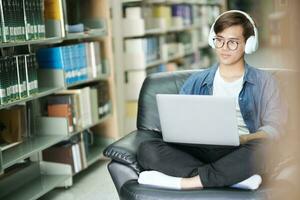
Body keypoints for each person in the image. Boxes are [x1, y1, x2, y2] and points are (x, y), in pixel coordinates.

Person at [136, 10, 287, 190]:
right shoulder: (196, 82)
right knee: (147, 149)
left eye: (232, 42)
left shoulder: (265, 82)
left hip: (239, 150)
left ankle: (189, 182)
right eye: (219, 40)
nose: (224, 47)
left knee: (266, 150)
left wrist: (245, 139)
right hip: (199, 150)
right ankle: (234, 178)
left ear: (249, 44)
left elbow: (275, 128)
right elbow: (178, 123)